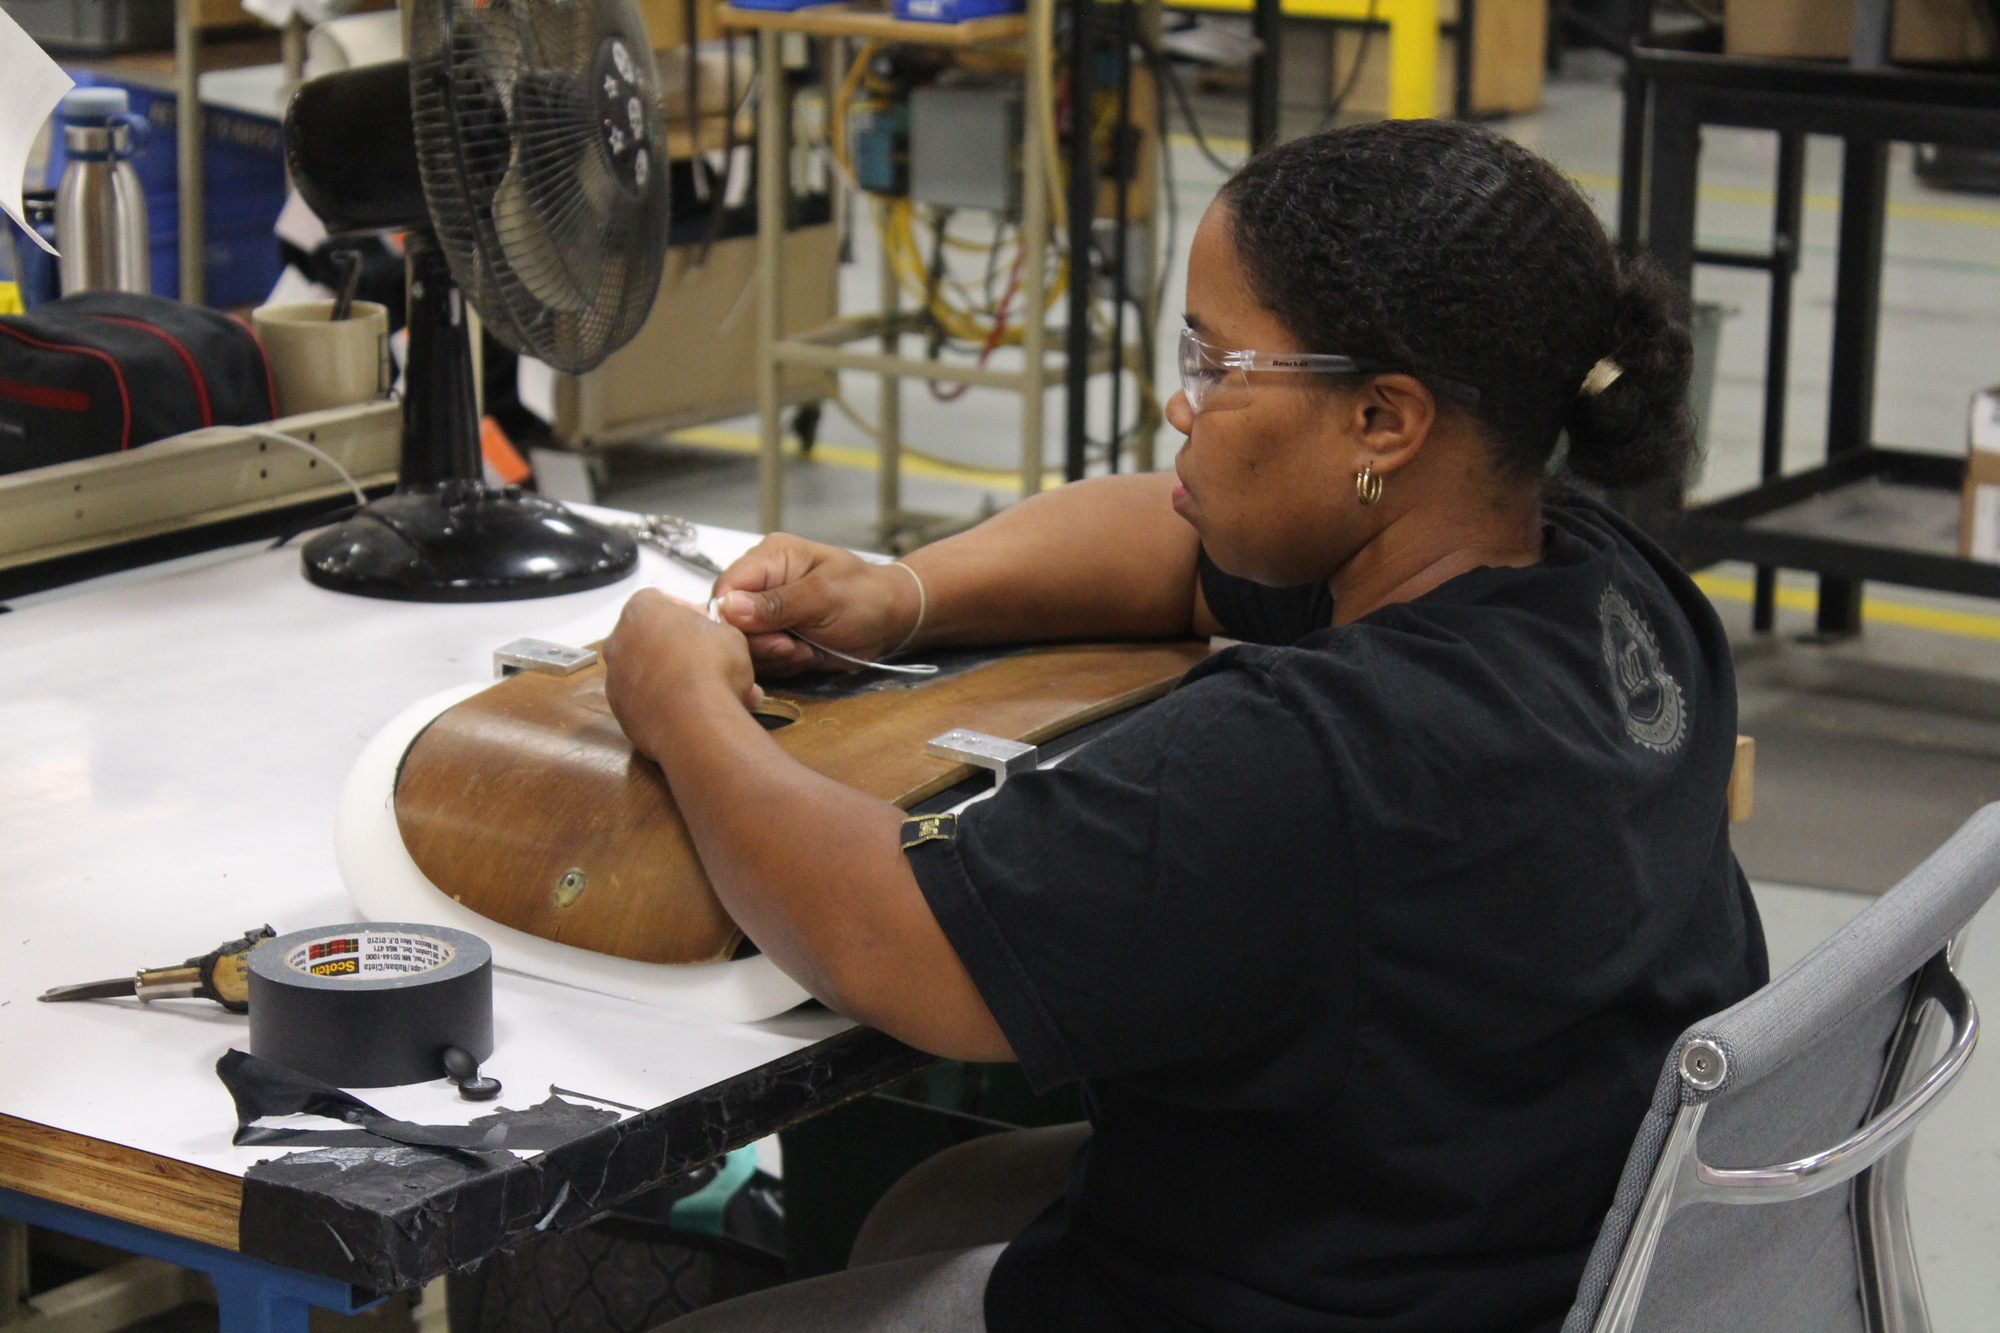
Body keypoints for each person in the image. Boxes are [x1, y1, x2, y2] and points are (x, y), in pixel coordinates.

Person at [601, 119, 1768, 1333]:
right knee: (933, 1203)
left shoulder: (1317, 753)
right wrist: (901, 594)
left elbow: (891, 939)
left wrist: (683, 706)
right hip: (1533, 1234)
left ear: (1382, 421)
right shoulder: (1605, 586)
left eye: (1217, 367)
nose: (1179, 402)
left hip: (1358, 1291)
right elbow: (1176, 549)